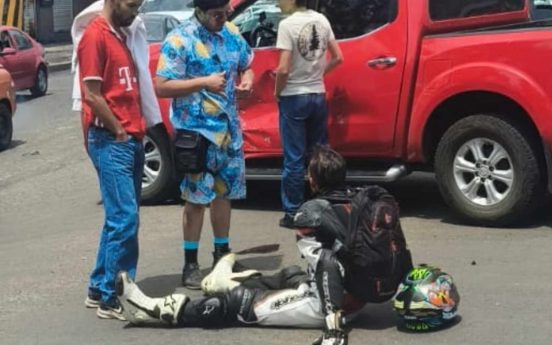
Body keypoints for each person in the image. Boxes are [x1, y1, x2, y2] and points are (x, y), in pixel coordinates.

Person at [117, 147, 379, 345]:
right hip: (356, 296)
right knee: (288, 274)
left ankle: (152, 310)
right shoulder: (357, 205)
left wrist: (332, 324)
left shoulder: (314, 216)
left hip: (325, 305)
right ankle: (226, 284)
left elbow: (327, 264)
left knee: (236, 305)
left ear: (313, 180)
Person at [155, 0, 255, 289]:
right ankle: (190, 264)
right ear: (200, 11)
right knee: (196, 201)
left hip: (229, 135)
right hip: (197, 136)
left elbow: (247, 64)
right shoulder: (180, 39)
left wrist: (247, 82)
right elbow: (162, 85)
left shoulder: (232, 33)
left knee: (225, 195)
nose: (222, 19)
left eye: (225, 13)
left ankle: (222, 256)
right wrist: (203, 82)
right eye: (216, 15)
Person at [77, 0, 147, 320]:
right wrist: (118, 128)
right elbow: (92, 93)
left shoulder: (119, 33)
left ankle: (98, 287)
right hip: (112, 139)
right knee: (125, 219)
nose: (136, 11)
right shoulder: (95, 36)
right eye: (133, 4)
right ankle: (112, 296)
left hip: (128, 137)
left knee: (117, 218)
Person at [274, 0, 344, 228]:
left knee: (294, 158)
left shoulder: (287, 25)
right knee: (319, 155)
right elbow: (338, 57)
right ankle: (323, 206)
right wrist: (318, 75)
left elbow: (283, 68)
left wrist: (278, 91)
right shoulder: (321, 20)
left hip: (293, 96)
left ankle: (293, 212)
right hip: (317, 94)